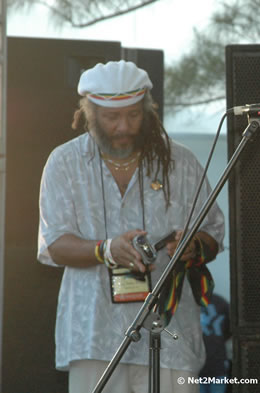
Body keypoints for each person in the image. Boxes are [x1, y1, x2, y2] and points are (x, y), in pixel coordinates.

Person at [37, 60, 225, 393]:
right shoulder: (64, 162)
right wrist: (105, 250)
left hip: (170, 334)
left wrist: (195, 246)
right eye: (112, 117)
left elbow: (213, 234)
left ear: (148, 111)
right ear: (90, 114)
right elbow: (54, 244)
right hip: (94, 337)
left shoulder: (181, 162)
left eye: (134, 115)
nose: (124, 126)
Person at [199, 293, 232, 393]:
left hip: (214, 365)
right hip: (211, 365)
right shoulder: (220, 302)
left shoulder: (220, 302)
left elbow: (231, 329)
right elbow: (230, 330)